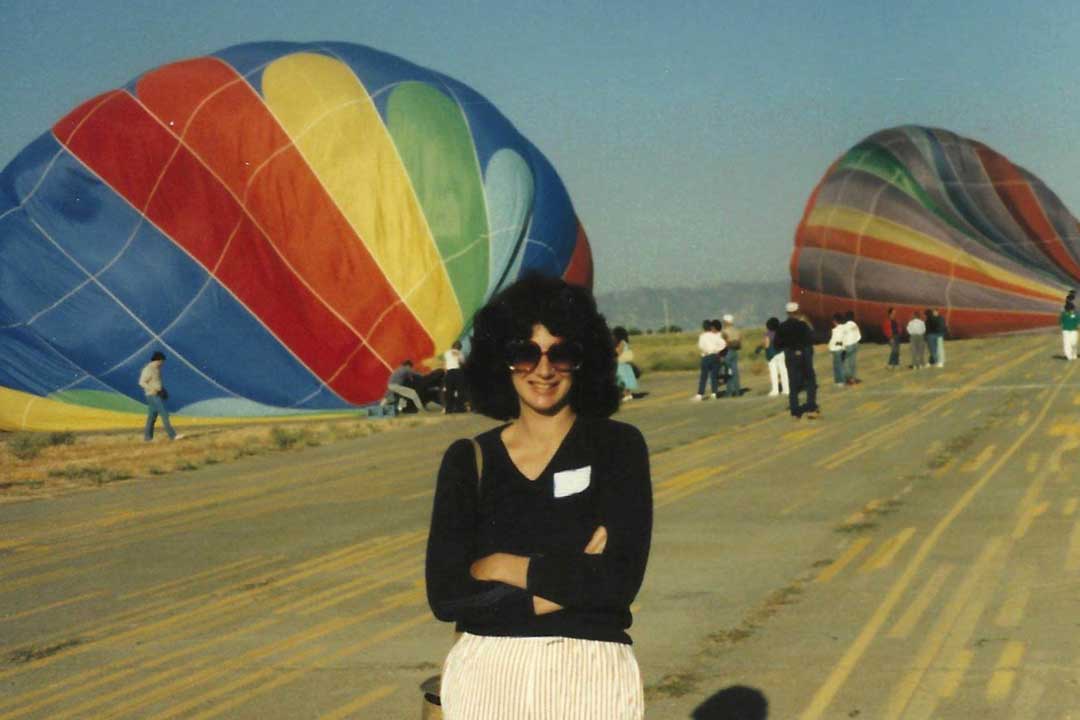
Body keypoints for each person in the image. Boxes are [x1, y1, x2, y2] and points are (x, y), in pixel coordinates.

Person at [426, 274, 651, 719]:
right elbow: (447, 595)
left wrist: (503, 567)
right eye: (524, 354)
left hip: (589, 676)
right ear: (500, 361)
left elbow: (618, 581)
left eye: (561, 354)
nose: (543, 370)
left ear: (584, 361)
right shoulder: (468, 460)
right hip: (486, 676)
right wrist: (567, 581)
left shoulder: (618, 448)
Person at [774, 302, 820, 419]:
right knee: (810, 381)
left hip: (790, 356)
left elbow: (777, 344)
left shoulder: (781, 327)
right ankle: (811, 408)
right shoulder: (803, 325)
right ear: (797, 311)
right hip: (804, 354)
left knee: (793, 383)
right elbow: (811, 338)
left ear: (787, 313)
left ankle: (795, 411)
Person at [138, 351, 182, 441]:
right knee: (164, 414)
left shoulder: (157, 369)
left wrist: (163, 390)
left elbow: (157, 382)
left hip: (157, 394)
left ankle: (147, 438)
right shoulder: (148, 369)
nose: (163, 364)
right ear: (158, 360)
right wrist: (152, 389)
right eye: (162, 362)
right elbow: (141, 382)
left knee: (152, 417)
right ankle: (172, 436)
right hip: (153, 395)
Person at [754, 317, 788, 397]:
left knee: (774, 373)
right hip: (781, 353)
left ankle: (775, 390)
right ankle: (786, 389)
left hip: (772, 355)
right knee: (783, 371)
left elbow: (767, 345)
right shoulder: (781, 332)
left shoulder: (768, 334)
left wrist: (759, 348)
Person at [693, 320, 726, 401]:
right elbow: (723, 344)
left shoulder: (702, 336)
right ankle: (714, 393)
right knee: (714, 376)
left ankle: (700, 394)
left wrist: (706, 350)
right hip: (715, 356)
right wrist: (717, 350)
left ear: (703, 327)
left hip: (706, 356)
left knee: (703, 376)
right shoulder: (715, 336)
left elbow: (700, 346)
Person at [612, 326, 639, 401]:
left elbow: (619, 352)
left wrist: (613, 349)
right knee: (625, 379)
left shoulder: (621, 343)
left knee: (622, 379)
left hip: (622, 365)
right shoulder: (624, 342)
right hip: (624, 364)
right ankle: (628, 395)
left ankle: (627, 395)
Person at [720, 314, 742, 397]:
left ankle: (729, 392)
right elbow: (740, 341)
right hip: (735, 352)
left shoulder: (724, 331)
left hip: (727, 352)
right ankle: (737, 391)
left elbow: (723, 343)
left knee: (728, 372)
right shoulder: (737, 330)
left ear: (726, 322)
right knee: (735, 372)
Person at [442, 342, 467, 413]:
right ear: (459, 347)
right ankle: (460, 408)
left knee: (449, 391)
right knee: (460, 390)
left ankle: (449, 409)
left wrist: (446, 373)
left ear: (452, 346)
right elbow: (463, 362)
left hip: (449, 372)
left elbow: (444, 364)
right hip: (458, 372)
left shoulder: (447, 353)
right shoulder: (460, 353)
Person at [828, 313, 846, 388]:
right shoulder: (845, 328)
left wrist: (830, 348)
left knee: (837, 366)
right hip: (843, 349)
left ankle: (839, 381)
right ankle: (840, 381)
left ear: (835, 321)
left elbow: (834, 341)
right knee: (841, 365)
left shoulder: (835, 330)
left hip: (836, 350)